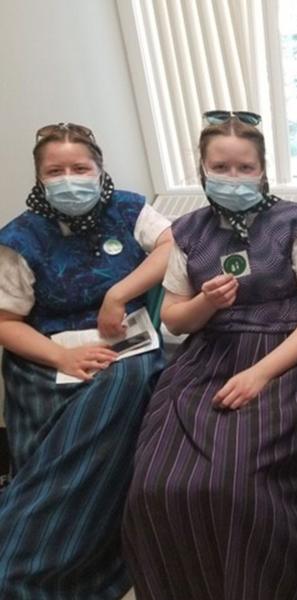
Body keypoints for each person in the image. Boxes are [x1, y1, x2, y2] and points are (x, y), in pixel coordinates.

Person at [122, 110, 297, 599]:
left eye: (245, 168)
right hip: (209, 356)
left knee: (234, 485)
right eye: (221, 167)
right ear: (202, 169)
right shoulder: (187, 232)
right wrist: (206, 303)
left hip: (286, 356)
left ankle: (263, 583)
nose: (234, 178)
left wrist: (261, 374)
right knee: (155, 485)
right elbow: (174, 321)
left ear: (263, 170)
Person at [0, 122, 172, 598]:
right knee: (64, 440)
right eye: (56, 171)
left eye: (81, 168)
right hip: (46, 355)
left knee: (124, 381)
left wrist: (119, 294)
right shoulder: (19, 239)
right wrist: (62, 355)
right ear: (39, 178)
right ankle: (25, 551)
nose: (70, 179)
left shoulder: (130, 209)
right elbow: (5, 322)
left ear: (100, 171)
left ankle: (42, 548)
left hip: (125, 345)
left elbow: (172, 244)